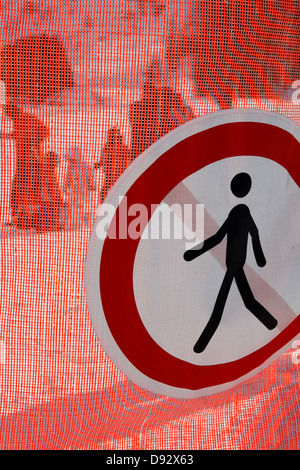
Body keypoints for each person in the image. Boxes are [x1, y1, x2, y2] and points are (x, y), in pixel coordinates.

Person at [184, 172, 278, 353]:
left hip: (234, 264)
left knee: (223, 307)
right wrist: (193, 253)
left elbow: (222, 237)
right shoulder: (239, 213)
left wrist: (193, 252)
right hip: (236, 263)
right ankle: (270, 322)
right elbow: (239, 235)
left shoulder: (240, 213)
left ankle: (202, 343)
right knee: (248, 300)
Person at [4, 102, 50, 228]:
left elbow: (45, 132)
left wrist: (34, 141)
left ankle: (29, 218)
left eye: (9, 113)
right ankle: (18, 218)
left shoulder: (28, 118)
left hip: (32, 161)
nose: (9, 117)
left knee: (28, 190)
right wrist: (6, 136)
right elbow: (20, 136)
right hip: (21, 161)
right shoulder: (17, 121)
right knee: (19, 190)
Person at [94, 126, 131, 203]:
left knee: (119, 188)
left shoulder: (123, 147)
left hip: (120, 173)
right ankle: (103, 201)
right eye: (111, 136)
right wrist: (99, 164)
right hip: (109, 172)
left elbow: (128, 158)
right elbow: (103, 158)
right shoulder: (107, 147)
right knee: (106, 188)